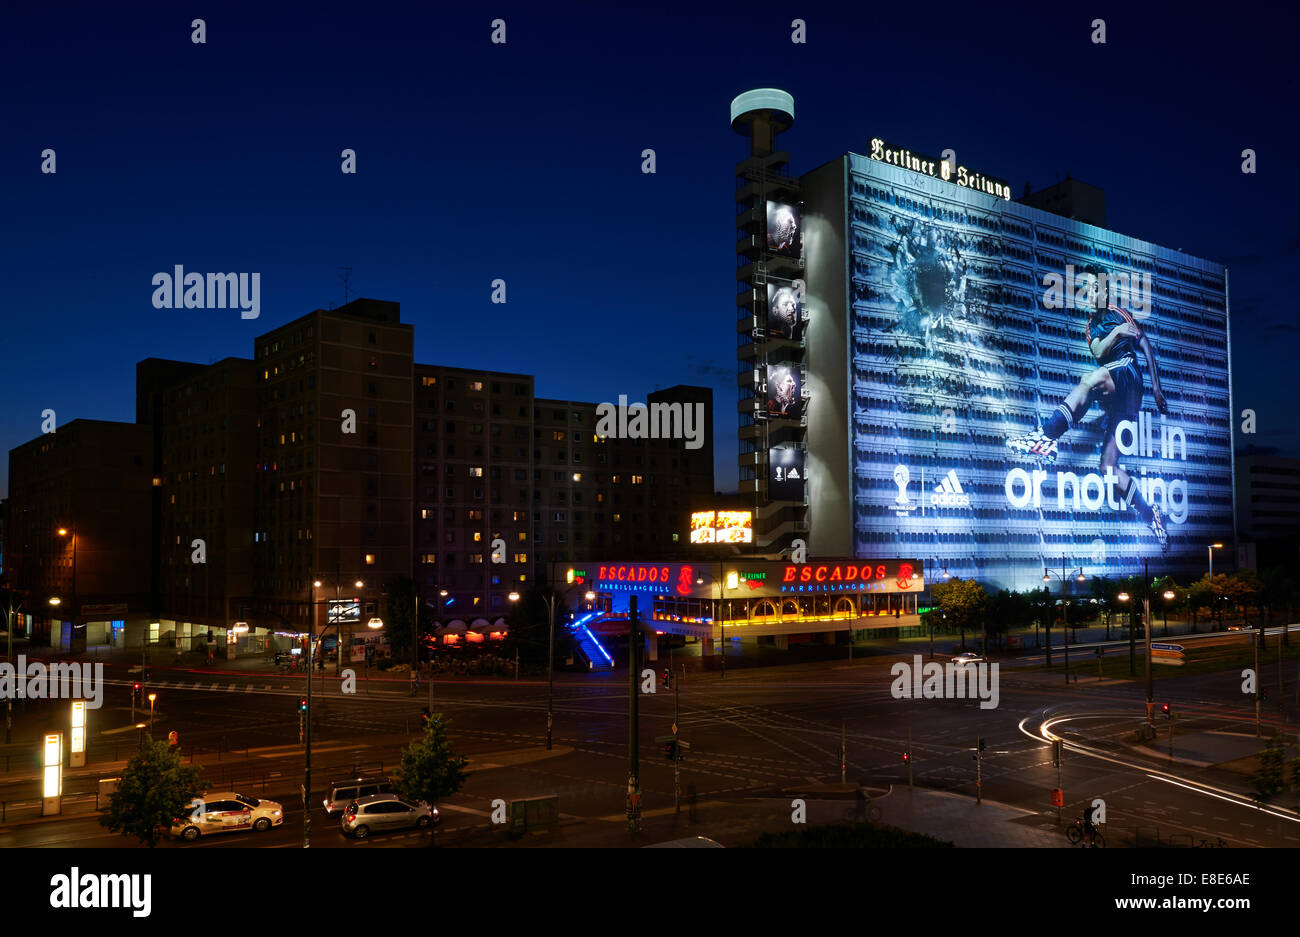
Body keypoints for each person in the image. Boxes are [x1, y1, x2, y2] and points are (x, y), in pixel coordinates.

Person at [1005, 264, 1169, 552]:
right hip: (1119, 397)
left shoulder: (1118, 312)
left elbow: (1143, 343)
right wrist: (1118, 332)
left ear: (1105, 289)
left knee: (1089, 379)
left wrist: (1156, 386)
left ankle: (1047, 436)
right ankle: (1149, 513)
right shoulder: (1092, 325)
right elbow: (1098, 351)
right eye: (1087, 288)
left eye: (1096, 287)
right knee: (1107, 468)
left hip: (1129, 376)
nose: (1091, 292)